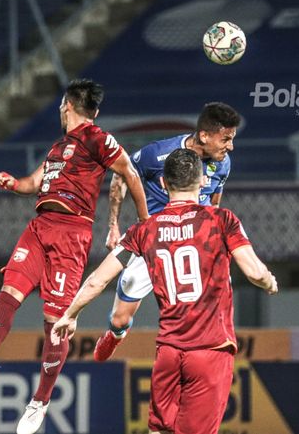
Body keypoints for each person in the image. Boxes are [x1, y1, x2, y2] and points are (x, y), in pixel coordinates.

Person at [0, 79, 149, 434]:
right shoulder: (58, 146)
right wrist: (11, 182)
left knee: (56, 324)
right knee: (9, 293)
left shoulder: (98, 138)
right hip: (39, 227)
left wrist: (144, 222)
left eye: (62, 106)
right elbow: (32, 184)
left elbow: (129, 172)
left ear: (66, 105)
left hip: (71, 235)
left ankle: (40, 402)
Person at [53, 148, 278, 434]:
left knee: (158, 430)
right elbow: (255, 272)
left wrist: (71, 314)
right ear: (202, 183)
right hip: (210, 351)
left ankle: (117, 331)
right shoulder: (221, 220)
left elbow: (98, 279)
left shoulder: (145, 230)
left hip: (169, 352)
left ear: (162, 184)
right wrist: (270, 281)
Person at [94, 101, 240, 361]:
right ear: (204, 135)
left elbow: (215, 204)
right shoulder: (158, 155)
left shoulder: (223, 163)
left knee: (215, 302)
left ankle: (212, 352)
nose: (230, 146)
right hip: (155, 240)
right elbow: (121, 175)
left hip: (194, 242)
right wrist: (113, 225)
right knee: (120, 317)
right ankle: (115, 334)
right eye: (226, 139)